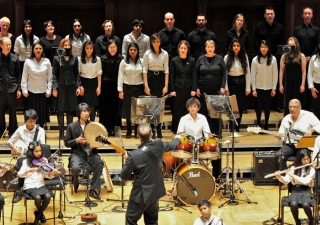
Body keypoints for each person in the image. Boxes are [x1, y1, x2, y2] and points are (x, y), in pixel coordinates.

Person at [121, 122, 181, 225]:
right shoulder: (159, 144)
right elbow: (173, 144)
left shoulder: (133, 155)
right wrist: (178, 138)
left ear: (138, 136)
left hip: (140, 194)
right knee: (152, 221)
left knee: (131, 220)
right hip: (155, 192)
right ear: (152, 134)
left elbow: (124, 175)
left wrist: (129, 161)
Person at [274, 99, 320, 190]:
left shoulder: (309, 115)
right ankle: (286, 180)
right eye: (290, 107)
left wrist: (311, 130)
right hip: (291, 145)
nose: (292, 109)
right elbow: (282, 135)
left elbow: (319, 125)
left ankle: (305, 179)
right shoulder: (286, 118)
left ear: (300, 107)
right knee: (279, 155)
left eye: (294, 107)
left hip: (304, 145)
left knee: (303, 156)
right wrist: (280, 137)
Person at [64, 102, 103, 200]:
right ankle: (75, 180)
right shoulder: (71, 126)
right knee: (75, 168)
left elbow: (100, 140)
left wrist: (95, 145)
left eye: (88, 111)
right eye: (84, 111)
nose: (87, 113)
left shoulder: (93, 125)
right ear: (79, 113)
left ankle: (93, 189)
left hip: (91, 153)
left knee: (99, 163)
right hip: (76, 153)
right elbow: (66, 142)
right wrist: (76, 140)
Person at [8, 109, 46, 203]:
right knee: (21, 163)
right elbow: (10, 142)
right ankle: (18, 191)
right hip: (24, 155)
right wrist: (15, 149)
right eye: (30, 121)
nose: (33, 123)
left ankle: (30, 189)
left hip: (36, 156)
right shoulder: (20, 129)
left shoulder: (40, 130)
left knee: (22, 162)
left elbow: (42, 146)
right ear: (26, 120)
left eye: (34, 121)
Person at [17, 141, 59, 225]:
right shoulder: (25, 162)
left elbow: (48, 175)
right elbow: (19, 174)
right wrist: (27, 171)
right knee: (38, 198)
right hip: (29, 186)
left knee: (47, 196)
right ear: (31, 152)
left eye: (40, 151)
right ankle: (38, 219)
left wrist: (53, 173)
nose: (39, 153)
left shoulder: (44, 161)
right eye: (36, 151)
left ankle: (38, 214)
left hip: (40, 184)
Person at [254, 5, 285, 113]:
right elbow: (256, 42)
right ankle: (260, 105)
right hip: (261, 58)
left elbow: (282, 44)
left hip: (275, 58)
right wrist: (261, 54)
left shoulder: (280, 27)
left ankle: (276, 105)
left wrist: (275, 57)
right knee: (261, 81)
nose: (270, 15)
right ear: (264, 15)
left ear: (274, 14)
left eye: (271, 13)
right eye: (268, 14)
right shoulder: (259, 27)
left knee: (274, 81)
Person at [275, 149, 314, 225]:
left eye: (308, 159)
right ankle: (297, 222)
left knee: (306, 204)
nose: (306, 161)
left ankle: (311, 221)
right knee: (293, 203)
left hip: (306, 190)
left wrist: (293, 175)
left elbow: (306, 181)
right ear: (299, 160)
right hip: (295, 190)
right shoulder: (293, 168)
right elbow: (286, 181)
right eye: (304, 159)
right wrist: (279, 177)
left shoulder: (311, 170)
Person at [52, 38, 81, 139]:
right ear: (61, 47)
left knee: (70, 110)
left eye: (69, 45)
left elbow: (77, 74)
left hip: (72, 86)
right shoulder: (57, 58)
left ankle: (69, 133)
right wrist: (54, 88)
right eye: (65, 45)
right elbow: (54, 74)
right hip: (61, 86)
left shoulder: (75, 58)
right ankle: (60, 133)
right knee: (60, 109)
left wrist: (78, 86)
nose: (67, 47)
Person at [196, 40, 226, 136]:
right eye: (208, 47)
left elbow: (224, 74)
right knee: (204, 111)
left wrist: (222, 87)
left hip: (216, 89)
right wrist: (196, 87)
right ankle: (205, 132)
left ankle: (217, 132)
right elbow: (196, 74)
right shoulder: (200, 59)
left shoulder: (220, 59)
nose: (210, 49)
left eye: (211, 47)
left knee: (215, 111)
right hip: (203, 89)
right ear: (205, 48)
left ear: (214, 48)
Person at [143, 33, 169, 138]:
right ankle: (150, 130)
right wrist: (146, 85)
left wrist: (166, 85)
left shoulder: (165, 54)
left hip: (160, 79)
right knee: (150, 106)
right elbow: (144, 70)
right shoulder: (147, 54)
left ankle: (159, 129)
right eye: (154, 41)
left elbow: (166, 70)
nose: (156, 43)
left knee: (159, 106)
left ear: (160, 42)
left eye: (158, 41)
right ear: (151, 43)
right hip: (150, 79)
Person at [21, 42, 52, 128]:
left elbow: (50, 77)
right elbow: (24, 76)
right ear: (33, 50)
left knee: (42, 115)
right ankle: (31, 131)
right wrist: (24, 90)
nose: (38, 50)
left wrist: (49, 90)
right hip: (31, 91)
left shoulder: (47, 61)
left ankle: (41, 132)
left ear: (42, 50)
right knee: (31, 114)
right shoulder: (28, 61)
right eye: (36, 48)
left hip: (43, 91)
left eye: (40, 48)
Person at [170, 40, 197, 133]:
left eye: (185, 48)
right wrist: (172, 89)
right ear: (178, 49)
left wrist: (194, 88)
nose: (183, 50)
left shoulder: (192, 60)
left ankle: (187, 129)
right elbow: (172, 76)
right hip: (177, 89)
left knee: (187, 109)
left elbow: (194, 76)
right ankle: (176, 130)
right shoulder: (174, 60)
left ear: (187, 49)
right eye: (181, 48)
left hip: (188, 89)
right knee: (177, 110)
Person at [118, 42, 144, 139]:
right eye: (131, 50)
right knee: (128, 111)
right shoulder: (124, 62)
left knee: (137, 111)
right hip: (127, 88)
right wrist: (120, 90)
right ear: (128, 51)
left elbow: (144, 75)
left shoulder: (142, 61)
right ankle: (129, 130)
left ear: (137, 51)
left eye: (134, 50)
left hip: (139, 88)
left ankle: (137, 130)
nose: (132, 52)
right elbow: (120, 76)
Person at [224, 38, 251, 132]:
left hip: (241, 84)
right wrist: (226, 88)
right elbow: (225, 75)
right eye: (234, 45)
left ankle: (238, 126)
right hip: (231, 84)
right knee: (231, 107)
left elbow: (248, 73)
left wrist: (248, 88)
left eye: (238, 46)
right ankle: (232, 127)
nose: (236, 47)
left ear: (240, 47)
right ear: (231, 47)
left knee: (239, 107)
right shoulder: (227, 57)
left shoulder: (245, 57)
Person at [251, 40, 278, 130]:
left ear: (268, 48)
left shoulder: (273, 59)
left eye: (265, 47)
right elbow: (252, 75)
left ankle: (266, 124)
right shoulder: (255, 59)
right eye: (262, 47)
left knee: (267, 108)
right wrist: (253, 89)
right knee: (258, 108)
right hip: (258, 87)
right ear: (259, 48)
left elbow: (275, 74)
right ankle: (258, 123)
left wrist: (274, 88)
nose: (263, 49)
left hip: (269, 87)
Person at [100, 39, 123, 136]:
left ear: (117, 48)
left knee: (116, 108)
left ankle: (115, 129)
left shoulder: (121, 58)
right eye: (110, 47)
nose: (112, 49)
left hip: (116, 86)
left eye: (114, 47)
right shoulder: (103, 58)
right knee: (105, 108)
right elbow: (100, 74)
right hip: (105, 85)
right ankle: (106, 129)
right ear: (107, 48)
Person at [279, 37, 306, 116]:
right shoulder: (284, 56)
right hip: (287, 83)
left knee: (297, 103)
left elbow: (304, 72)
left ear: (296, 45)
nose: (291, 47)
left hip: (297, 83)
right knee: (287, 103)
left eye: (292, 45)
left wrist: (303, 84)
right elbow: (281, 71)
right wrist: (280, 84)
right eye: (289, 45)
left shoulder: (301, 56)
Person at [0, 37, 21, 137]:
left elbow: (18, 75)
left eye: (10, 45)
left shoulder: (15, 58)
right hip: (0, 88)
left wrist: (19, 89)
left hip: (12, 88)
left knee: (13, 112)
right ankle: (1, 131)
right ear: (1, 46)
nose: (9, 47)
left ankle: (13, 131)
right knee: (0, 111)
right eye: (6, 45)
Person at [78, 40, 102, 122]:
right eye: (87, 48)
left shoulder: (97, 59)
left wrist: (99, 87)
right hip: (83, 83)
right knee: (83, 105)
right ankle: (83, 124)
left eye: (91, 48)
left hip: (93, 83)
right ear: (84, 49)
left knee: (92, 106)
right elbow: (78, 73)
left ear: (93, 49)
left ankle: (91, 125)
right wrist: (79, 86)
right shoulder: (80, 59)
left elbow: (99, 73)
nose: (89, 50)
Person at [307, 41, 320, 119]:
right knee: (317, 108)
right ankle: (317, 127)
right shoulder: (313, 58)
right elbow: (309, 73)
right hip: (316, 86)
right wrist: (311, 88)